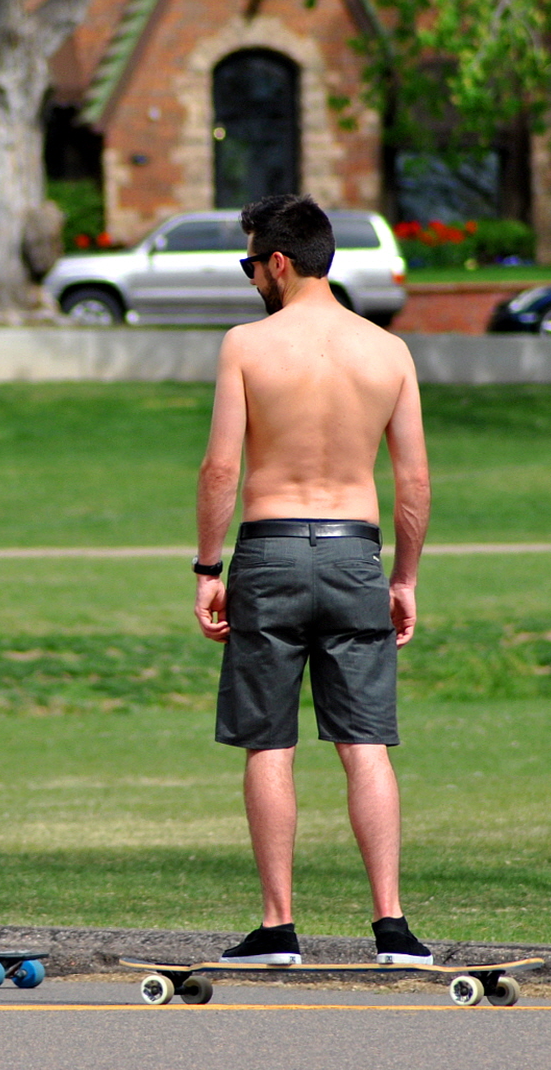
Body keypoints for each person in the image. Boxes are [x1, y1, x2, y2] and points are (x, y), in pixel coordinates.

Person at [194, 194, 433, 967]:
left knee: (270, 742)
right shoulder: (388, 352)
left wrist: (208, 565)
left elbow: (222, 467)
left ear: (281, 262)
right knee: (366, 743)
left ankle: (278, 926)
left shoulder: (246, 346)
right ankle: (392, 926)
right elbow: (415, 481)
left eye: (251, 261)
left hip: (268, 550)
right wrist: (404, 577)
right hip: (354, 551)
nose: (251, 276)